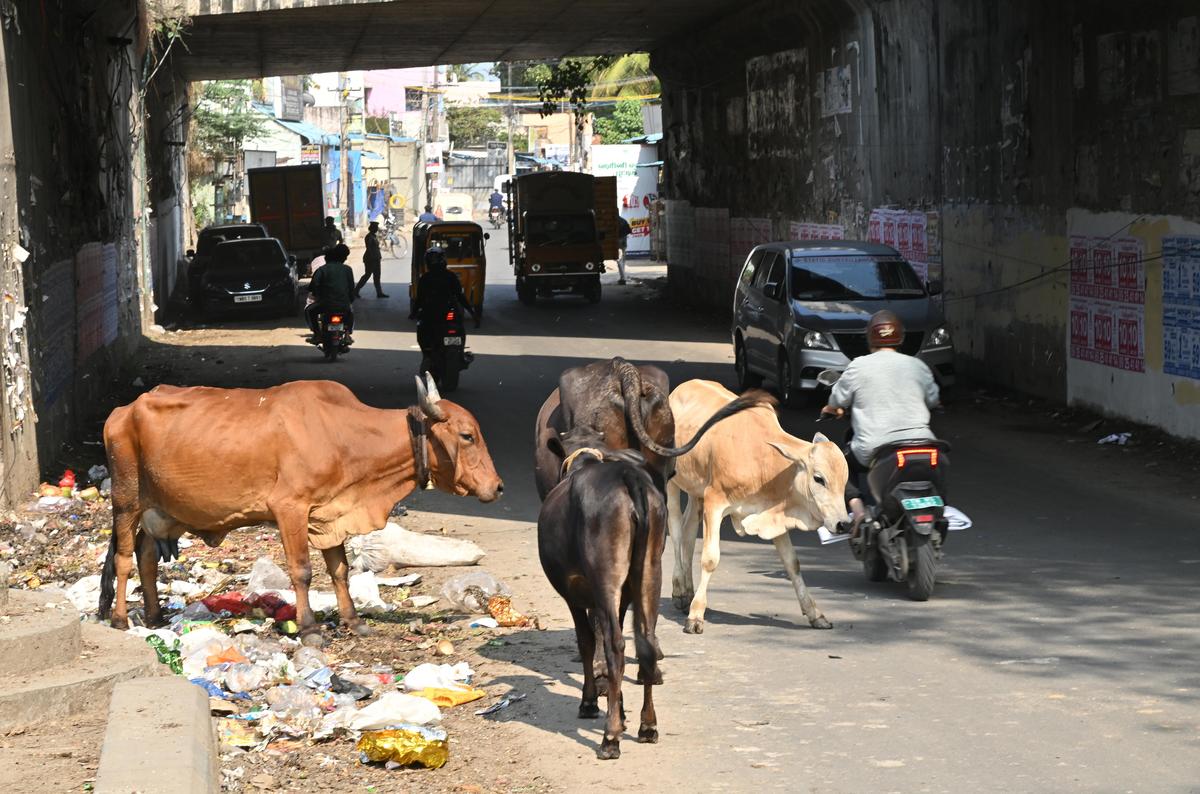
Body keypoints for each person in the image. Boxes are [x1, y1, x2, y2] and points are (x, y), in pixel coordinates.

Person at [821, 310, 941, 534]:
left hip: (876, 449)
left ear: (870, 338)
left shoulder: (858, 366)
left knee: (841, 465)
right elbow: (933, 398)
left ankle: (859, 514)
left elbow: (837, 398)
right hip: (922, 445)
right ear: (901, 337)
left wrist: (831, 408)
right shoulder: (918, 365)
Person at [414, 247, 472, 363]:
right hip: (447, 313)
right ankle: (459, 354)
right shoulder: (450, 276)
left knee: (422, 330)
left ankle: (427, 355)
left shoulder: (425, 278)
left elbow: (419, 299)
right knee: (458, 328)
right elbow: (460, 296)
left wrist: (413, 312)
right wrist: (472, 312)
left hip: (432, 315)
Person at [306, 243, 356, 340]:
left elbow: (314, 286)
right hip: (343, 304)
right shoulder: (347, 269)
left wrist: (318, 295)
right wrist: (349, 300)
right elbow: (351, 288)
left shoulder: (321, 270)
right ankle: (347, 333)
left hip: (325, 304)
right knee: (350, 312)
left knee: (310, 310)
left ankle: (317, 334)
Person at [355, 221, 388, 298]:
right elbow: (369, 248)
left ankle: (379, 293)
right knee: (367, 275)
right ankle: (356, 290)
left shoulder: (373, 236)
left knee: (376, 276)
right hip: (371, 259)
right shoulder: (369, 237)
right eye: (376, 227)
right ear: (372, 228)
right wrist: (373, 257)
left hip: (376, 258)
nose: (377, 229)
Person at [616, 215, 632, 285]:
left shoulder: (614, 221)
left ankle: (623, 278)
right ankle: (623, 276)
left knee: (619, 260)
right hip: (624, 242)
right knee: (623, 259)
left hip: (618, 241)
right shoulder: (623, 220)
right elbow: (629, 230)